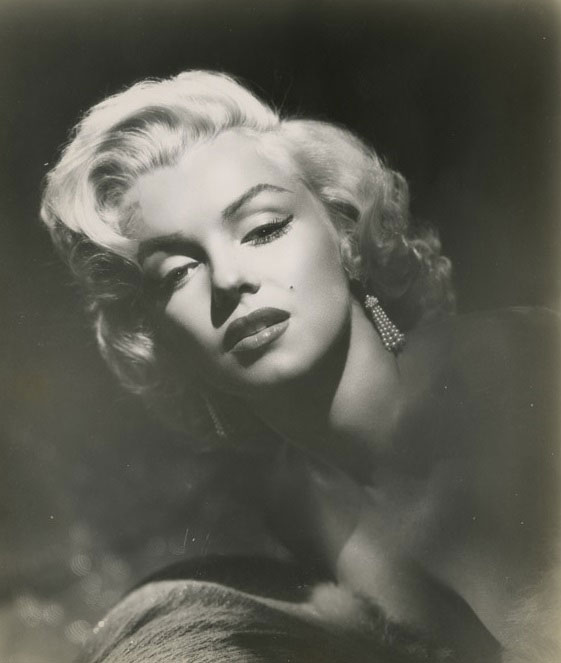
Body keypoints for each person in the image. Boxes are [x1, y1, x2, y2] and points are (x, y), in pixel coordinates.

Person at [40, 71, 559, 662]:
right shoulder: (295, 505)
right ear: (158, 336)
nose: (229, 279)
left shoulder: (527, 366)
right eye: (179, 272)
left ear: (345, 232)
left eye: (263, 229)